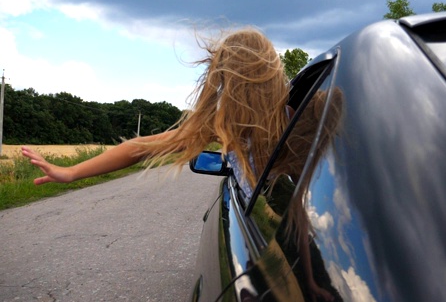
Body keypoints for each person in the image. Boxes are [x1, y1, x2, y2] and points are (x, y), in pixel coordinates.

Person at [21, 27, 291, 187]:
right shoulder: (230, 123)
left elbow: (141, 147)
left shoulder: (295, 117)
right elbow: (141, 147)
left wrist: (71, 172)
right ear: (273, 73)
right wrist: (69, 172)